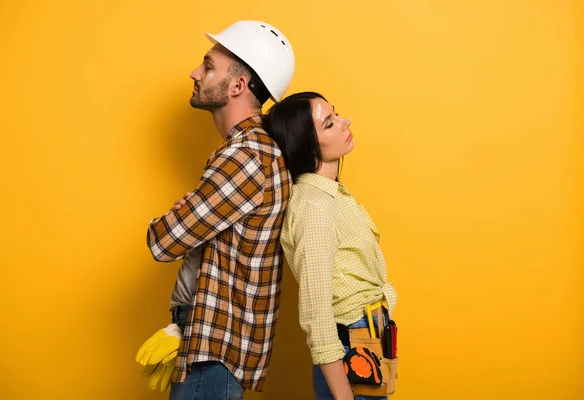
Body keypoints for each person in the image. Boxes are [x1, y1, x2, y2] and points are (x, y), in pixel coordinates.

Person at [138, 21, 295, 399]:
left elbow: (163, 241)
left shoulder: (246, 156)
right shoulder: (247, 151)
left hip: (213, 353)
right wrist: (195, 213)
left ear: (238, 86)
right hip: (208, 347)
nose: (195, 73)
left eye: (208, 66)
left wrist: (182, 214)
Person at [263, 92, 398, 400]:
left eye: (336, 115)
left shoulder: (330, 197)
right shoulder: (315, 208)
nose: (344, 122)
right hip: (350, 347)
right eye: (329, 124)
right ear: (308, 146)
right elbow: (317, 312)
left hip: (369, 339)